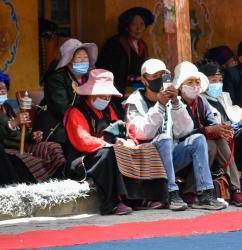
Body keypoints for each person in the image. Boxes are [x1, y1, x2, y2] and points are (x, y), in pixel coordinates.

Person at [64, 69, 167, 215]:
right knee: (110, 153)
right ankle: (113, 202)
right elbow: (82, 140)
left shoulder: (109, 110)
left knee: (146, 148)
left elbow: (123, 128)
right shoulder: (76, 112)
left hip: (112, 150)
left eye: (108, 95)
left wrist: (130, 142)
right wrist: (109, 144)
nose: (106, 97)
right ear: (91, 93)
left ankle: (146, 197)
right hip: (83, 160)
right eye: (102, 93)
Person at [124, 58, 220, 211]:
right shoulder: (135, 101)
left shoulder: (171, 98)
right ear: (144, 80)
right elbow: (142, 132)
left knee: (198, 139)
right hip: (146, 162)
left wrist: (176, 103)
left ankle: (205, 193)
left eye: (162, 75)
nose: (158, 79)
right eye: (154, 76)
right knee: (164, 138)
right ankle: (171, 192)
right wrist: (160, 106)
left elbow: (185, 130)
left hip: (170, 158)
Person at [196, 60, 242, 206]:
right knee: (223, 138)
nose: (218, 84)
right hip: (214, 144)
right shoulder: (200, 100)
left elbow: (235, 113)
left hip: (231, 142)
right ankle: (237, 189)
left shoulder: (223, 97)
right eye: (214, 80)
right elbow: (215, 126)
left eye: (220, 80)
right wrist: (240, 124)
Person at [166, 61, 227, 210]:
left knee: (220, 140)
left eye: (197, 82)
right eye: (190, 82)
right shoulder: (172, 102)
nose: (195, 85)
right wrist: (207, 131)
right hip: (174, 153)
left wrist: (221, 129)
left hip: (193, 150)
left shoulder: (201, 101)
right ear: (180, 85)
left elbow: (212, 124)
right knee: (202, 141)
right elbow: (179, 134)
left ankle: (236, 187)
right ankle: (204, 193)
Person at [0, 72, 66, 182]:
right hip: (8, 149)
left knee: (53, 147)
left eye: (4, 88)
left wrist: (32, 136)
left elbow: (19, 133)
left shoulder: (7, 107)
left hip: (23, 144)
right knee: (32, 161)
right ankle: (47, 184)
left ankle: (62, 178)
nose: (2, 91)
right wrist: (13, 123)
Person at [36, 38, 98, 145]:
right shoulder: (56, 79)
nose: (83, 60)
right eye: (79, 57)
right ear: (69, 60)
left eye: (86, 57)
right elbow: (62, 109)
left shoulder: (88, 79)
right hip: (58, 128)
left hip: (82, 125)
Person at [97, 7, 154, 100]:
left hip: (138, 92)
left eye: (142, 24)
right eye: (134, 24)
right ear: (127, 27)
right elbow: (103, 68)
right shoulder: (114, 44)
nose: (138, 28)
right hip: (118, 93)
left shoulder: (143, 45)